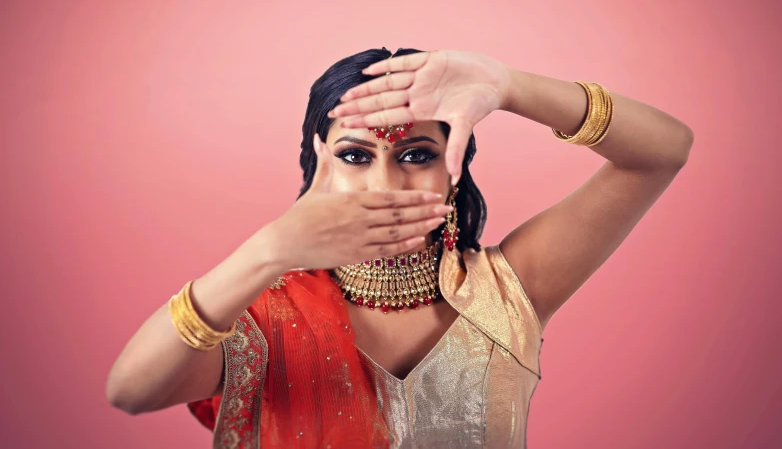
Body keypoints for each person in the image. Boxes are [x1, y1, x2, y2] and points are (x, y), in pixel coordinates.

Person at [106, 47, 694, 448]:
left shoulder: (509, 289)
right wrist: (267, 252)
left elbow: (663, 150)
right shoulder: (259, 319)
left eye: (417, 155)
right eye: (355, 156)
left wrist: (510, 88)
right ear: (319, 168)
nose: (385, 185)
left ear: (454, 171)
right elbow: (131, 391)